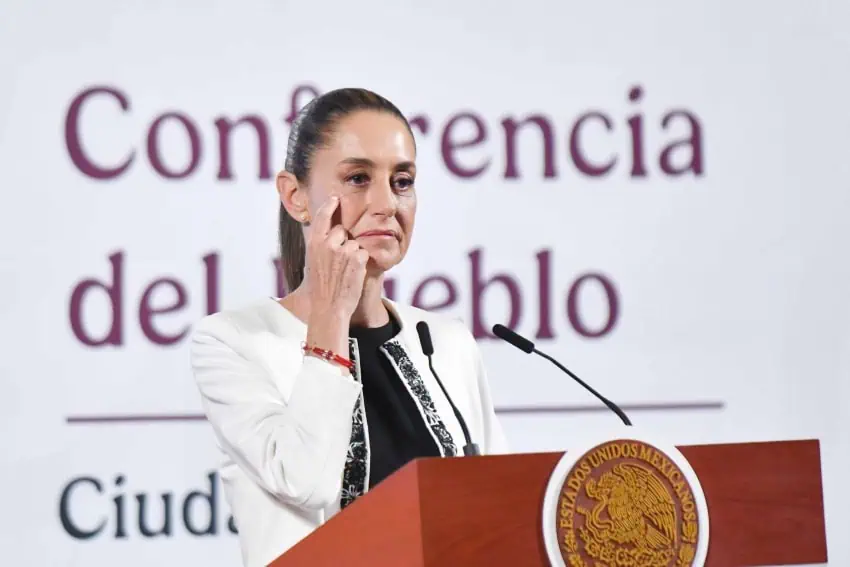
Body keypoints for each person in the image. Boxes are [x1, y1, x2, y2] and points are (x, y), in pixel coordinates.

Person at [189, 87, 508, 567]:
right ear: (295, 197)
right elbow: (306, 481)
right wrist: (332, 312)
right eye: (358, 178)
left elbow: (500, 513)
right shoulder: (234, 342)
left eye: (402, 181)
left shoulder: (447, 342)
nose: (386, 203)